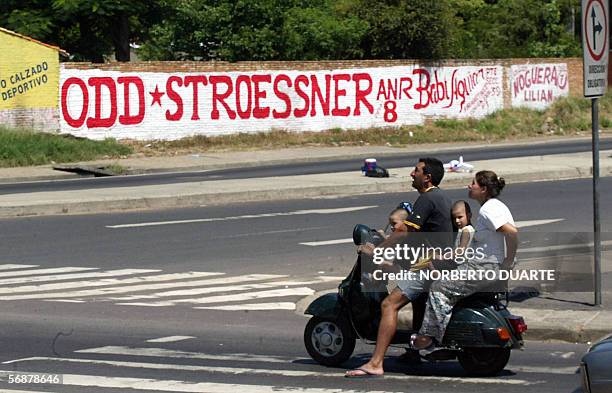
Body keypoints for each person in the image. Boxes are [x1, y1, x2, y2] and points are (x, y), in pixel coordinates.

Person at [345, 157, 453, 378]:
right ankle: (414, 353)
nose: (412, 174)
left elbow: (404, 230)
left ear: (427, 177)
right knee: (418, 302)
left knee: (389, 305)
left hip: (428, 267)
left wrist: (378, 250)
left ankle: (375, 363)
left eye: (416, 170)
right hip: (438, 264)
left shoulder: (427, 198)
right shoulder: (440, 197)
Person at [410, 170, 518, 350]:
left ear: (483, 189)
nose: (469, 186)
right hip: (484, 265)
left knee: (438, 287)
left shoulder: (488, 209)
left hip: (483, 267)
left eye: (473, 183)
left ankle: (430, 338)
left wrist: (508, 260)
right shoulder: (497, 205)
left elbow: (512, 232)